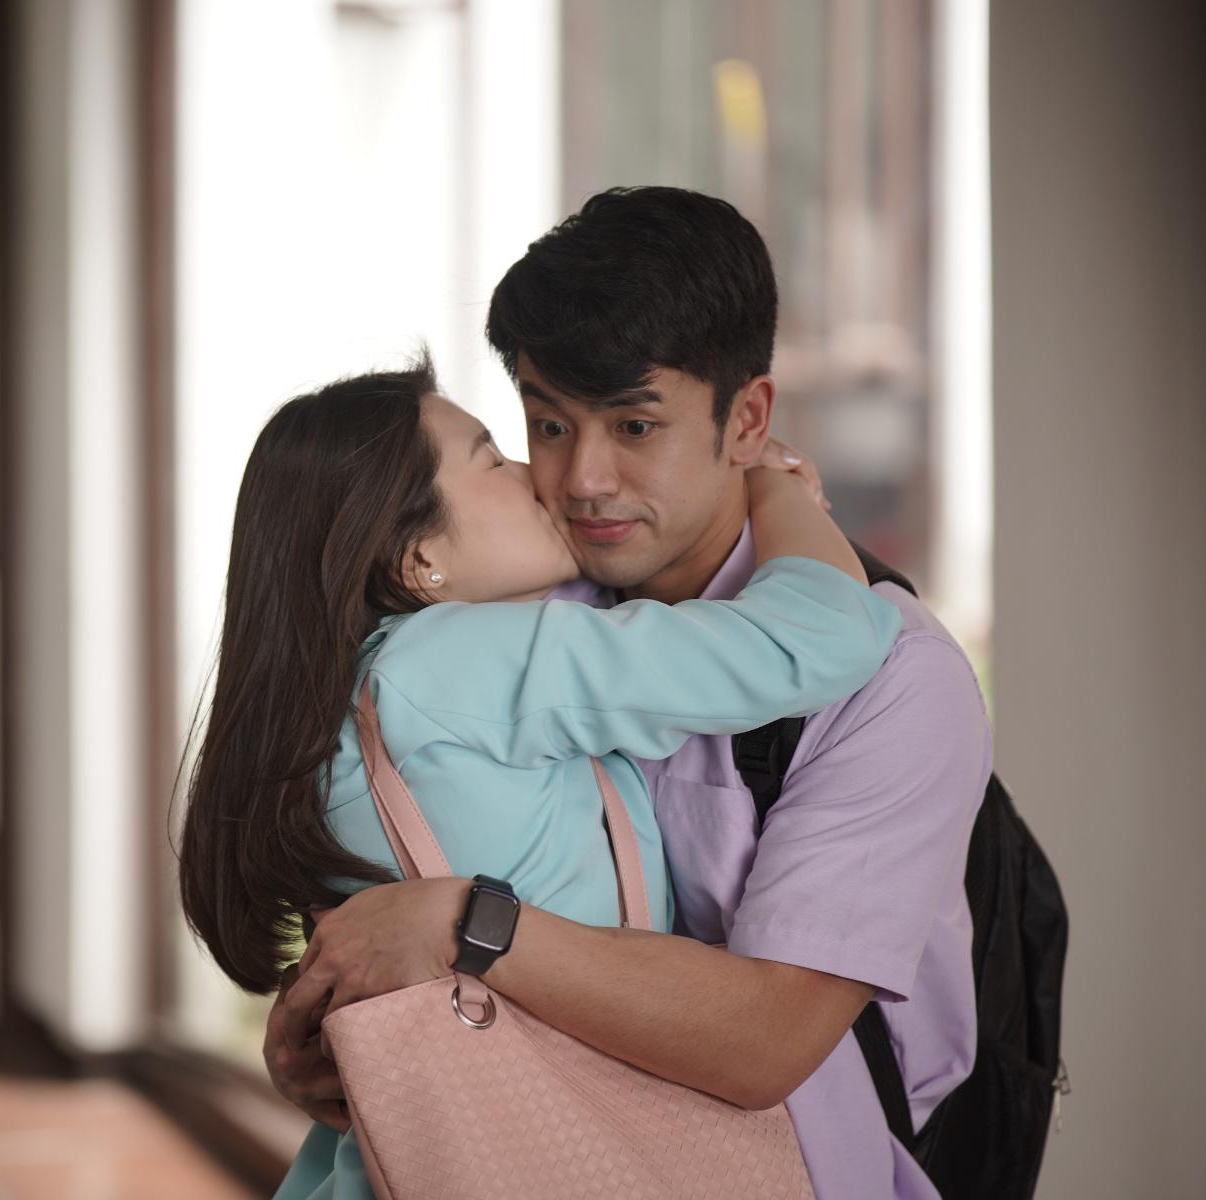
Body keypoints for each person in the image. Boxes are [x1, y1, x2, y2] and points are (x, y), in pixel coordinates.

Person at [267, 188, 992, 1200]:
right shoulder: (522, 604)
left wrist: (467, 924)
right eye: (546, 425)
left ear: (746, 419)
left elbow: (763, 1042)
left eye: (636, 425)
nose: (582, 480)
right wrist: (320, 1025)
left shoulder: (897, 682)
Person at [178, 349, 904, 1198]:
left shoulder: (345, 704)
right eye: (493, 459)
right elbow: (809, 641)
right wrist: (775, 488)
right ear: (419, 559)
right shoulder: (459, 661)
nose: (538, 477)